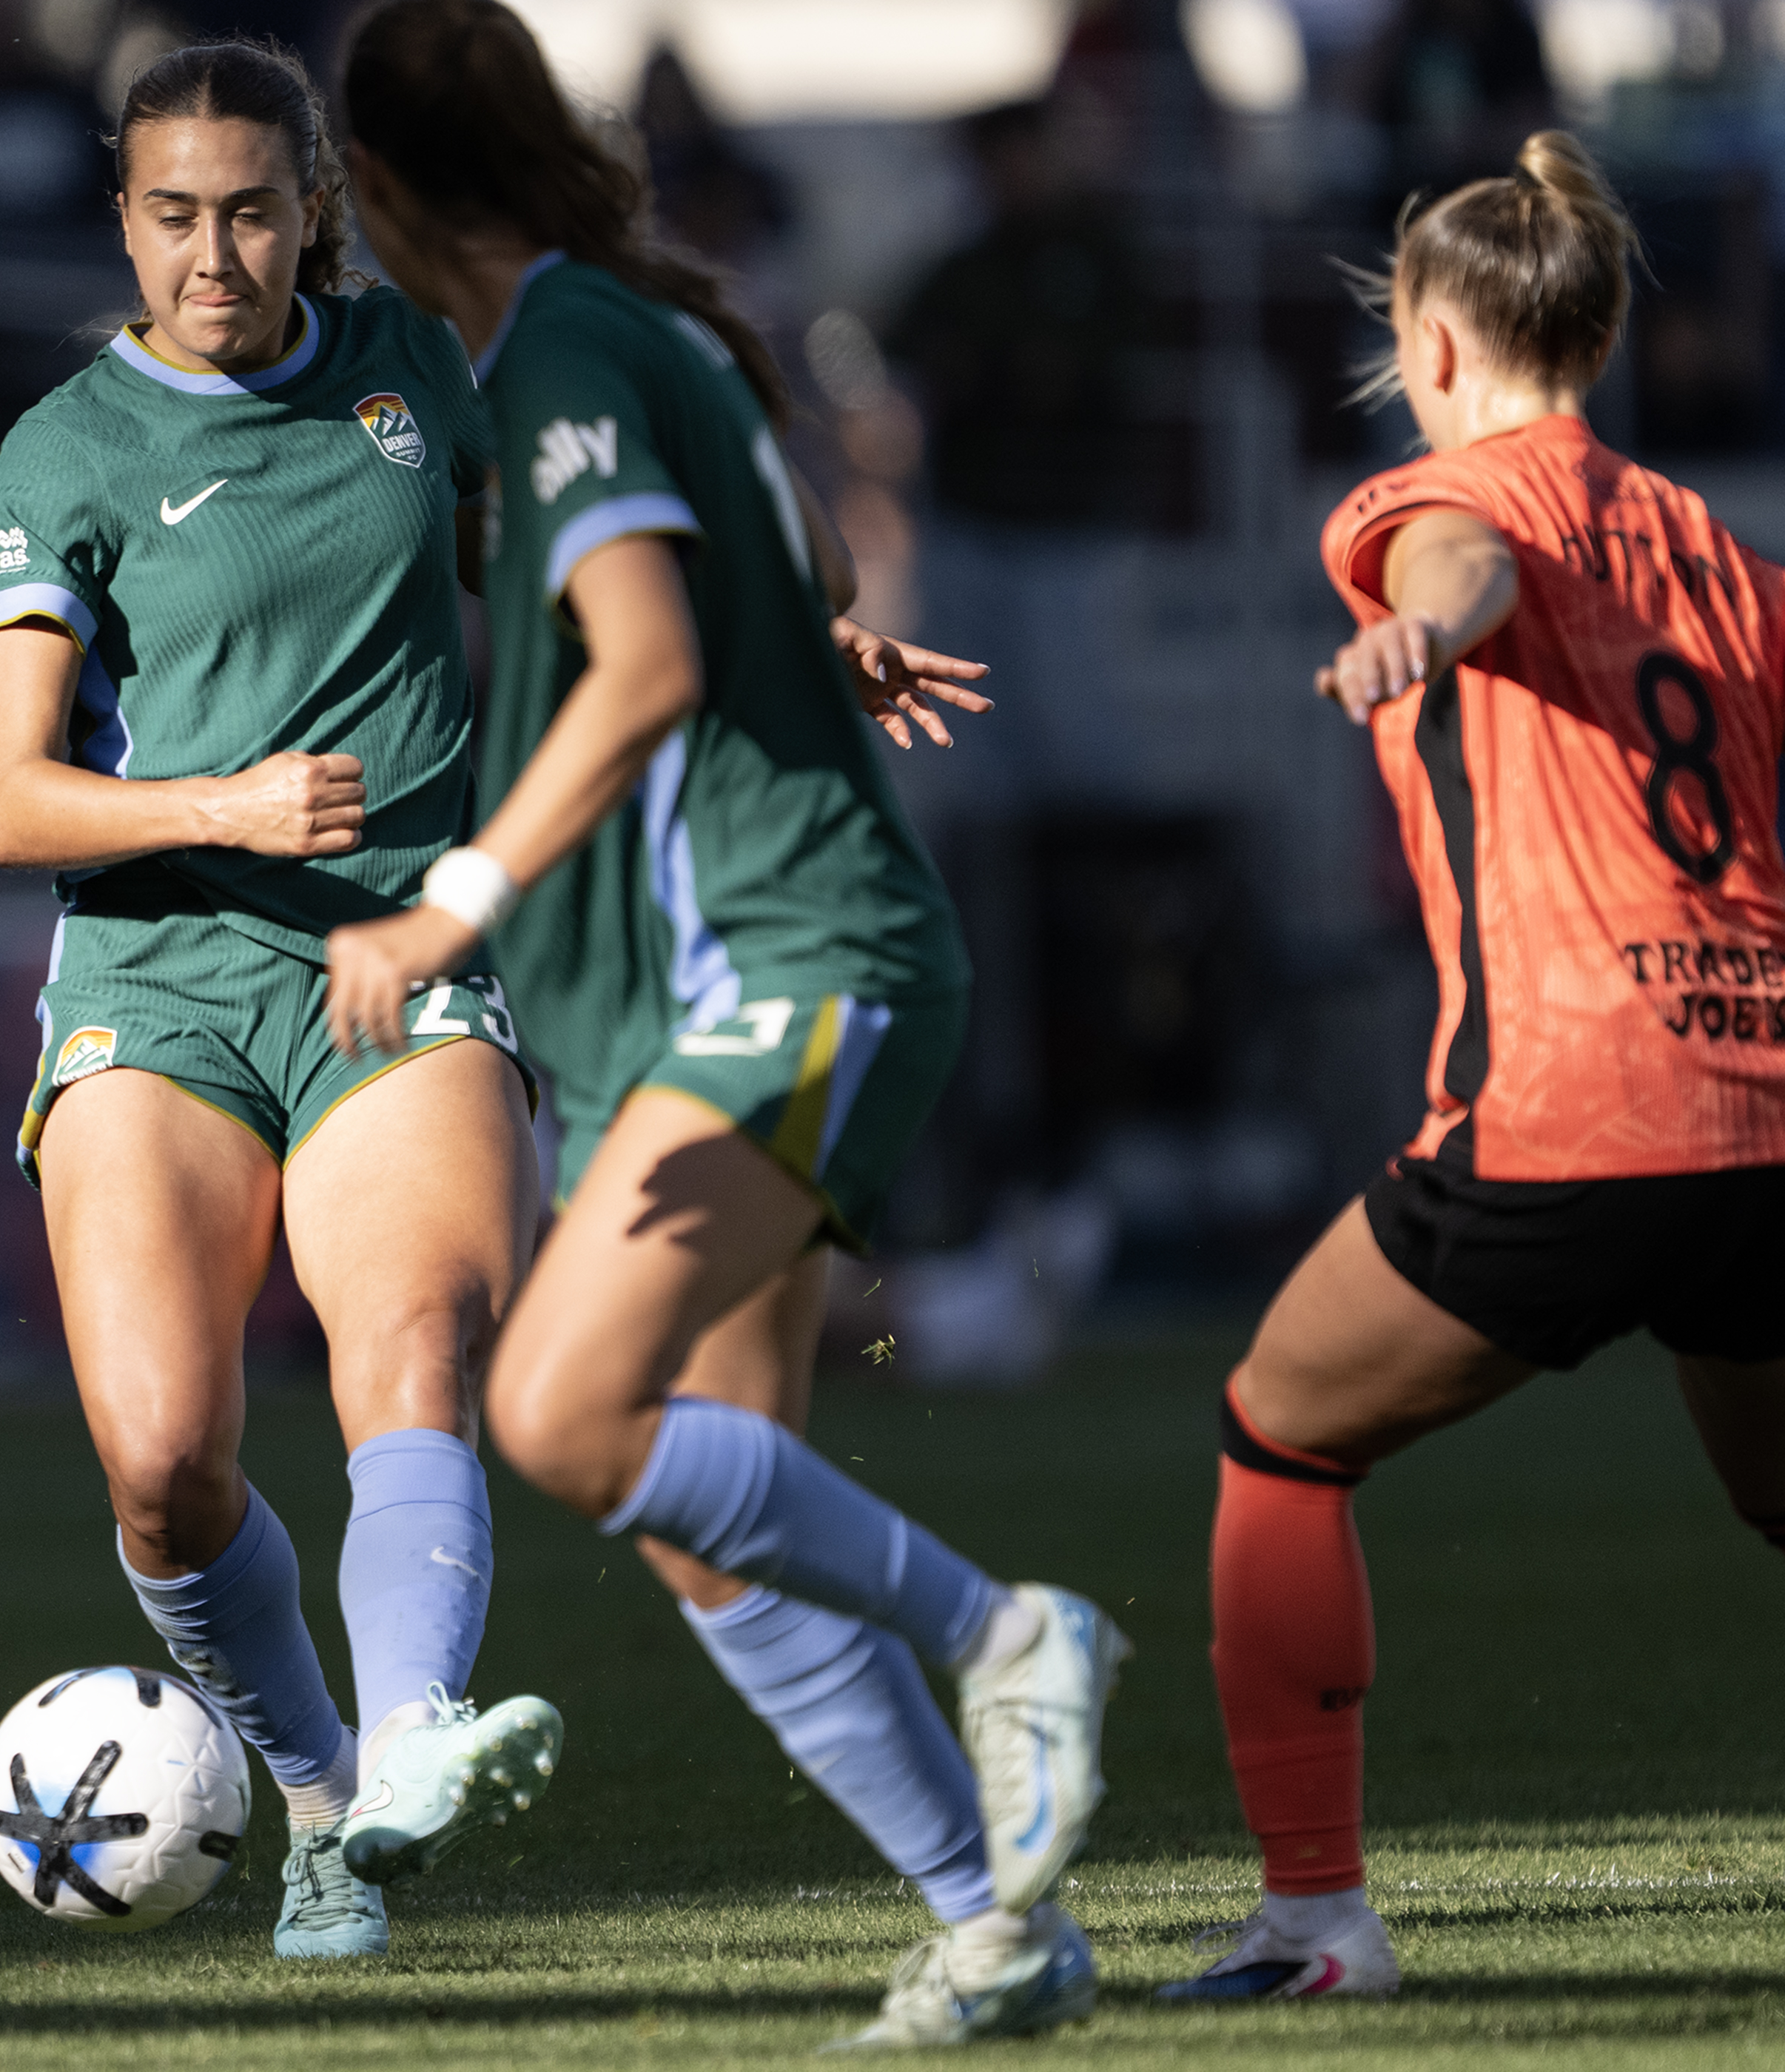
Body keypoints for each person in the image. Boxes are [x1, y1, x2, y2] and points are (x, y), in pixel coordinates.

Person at [334, 2, 1128, 2047]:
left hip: (777, 959)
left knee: (559, 1415)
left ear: (384, 190)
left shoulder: (576, 351)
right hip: (676, 995)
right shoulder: (610, 334)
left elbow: (647, 663)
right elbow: (713, 603)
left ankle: (1009, 1629)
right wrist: (822, 646)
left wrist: (451, 901)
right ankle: (993, 1926)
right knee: (708, 1502)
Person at [1156, 131, 1785, 2002]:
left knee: (1280, 1429)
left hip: (1583, 1106)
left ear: (1428, 344)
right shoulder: (1721, 544)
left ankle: (1318, 1921)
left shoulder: (1421, 501)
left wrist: (1430, 619)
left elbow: (1469, 550)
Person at [0, 38, 560, 1962]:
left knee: (410, 1348)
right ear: (120, 223)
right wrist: (221, 802)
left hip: (396, 955)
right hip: (153, 973)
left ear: (315, 203)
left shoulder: (421, 376)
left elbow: (571, 577)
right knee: (159, 1460)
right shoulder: (66, 449)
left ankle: (409, 1752)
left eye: (248, 210)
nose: (211, 255)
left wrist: (797, 649)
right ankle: (312, 1802)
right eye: (169, 216)